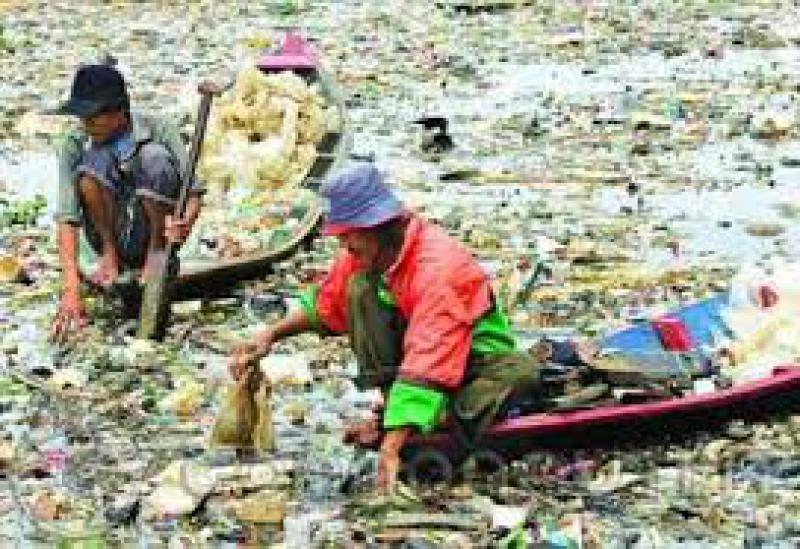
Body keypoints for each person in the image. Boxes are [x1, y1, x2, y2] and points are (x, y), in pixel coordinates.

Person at [230, 163, 541, 490]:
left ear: (377, 226)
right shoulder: (365, 255)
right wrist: (270, 335)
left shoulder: (438, 268)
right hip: (421, 365)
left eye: (349, 236)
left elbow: (430, 359)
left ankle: (425, 418)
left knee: (520, 373)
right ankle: (402, 412)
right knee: (358, 289)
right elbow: (328, 306)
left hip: (473, 363)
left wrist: (391, 446)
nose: (345, 246)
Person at [50, 63, 204, 337]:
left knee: (154, 157)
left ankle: (154, 252)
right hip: (111, 231)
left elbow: (193, 194)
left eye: (94, 116)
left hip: (156, 230)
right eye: (83, 117)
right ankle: (110, 254)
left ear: (120, 111)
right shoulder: (76, 142)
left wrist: (184, 224)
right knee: (91, 165)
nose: (87, 124)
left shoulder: (160, 129)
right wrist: (71, 290)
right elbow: (67, 218)